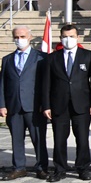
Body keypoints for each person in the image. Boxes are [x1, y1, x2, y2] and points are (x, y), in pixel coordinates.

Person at [41, 25, 91, 182]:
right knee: (59, 139)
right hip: (59, 105)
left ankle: (83, 168)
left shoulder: (88, 56)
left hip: (82, 104)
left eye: (71, 36)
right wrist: (46, 105)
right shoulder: (52, 58)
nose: (68, 39)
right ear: (60, 38)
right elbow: (46, 84)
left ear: (77, 37)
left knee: (82, 138)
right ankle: (60, 169)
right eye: (65, 36)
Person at [1, 26, 49, 180]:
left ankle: (42, 167)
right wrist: (2, 104)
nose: (19, 40)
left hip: (34, 106)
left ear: (29, 37)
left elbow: (45, 83)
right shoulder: (7, 59)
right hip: (14, 106)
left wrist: (45, 104)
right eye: (16, 37)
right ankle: (19, 167)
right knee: (16, 139)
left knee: (38, 138)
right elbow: (2, 83)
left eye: (22, 36)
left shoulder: (41, 57)